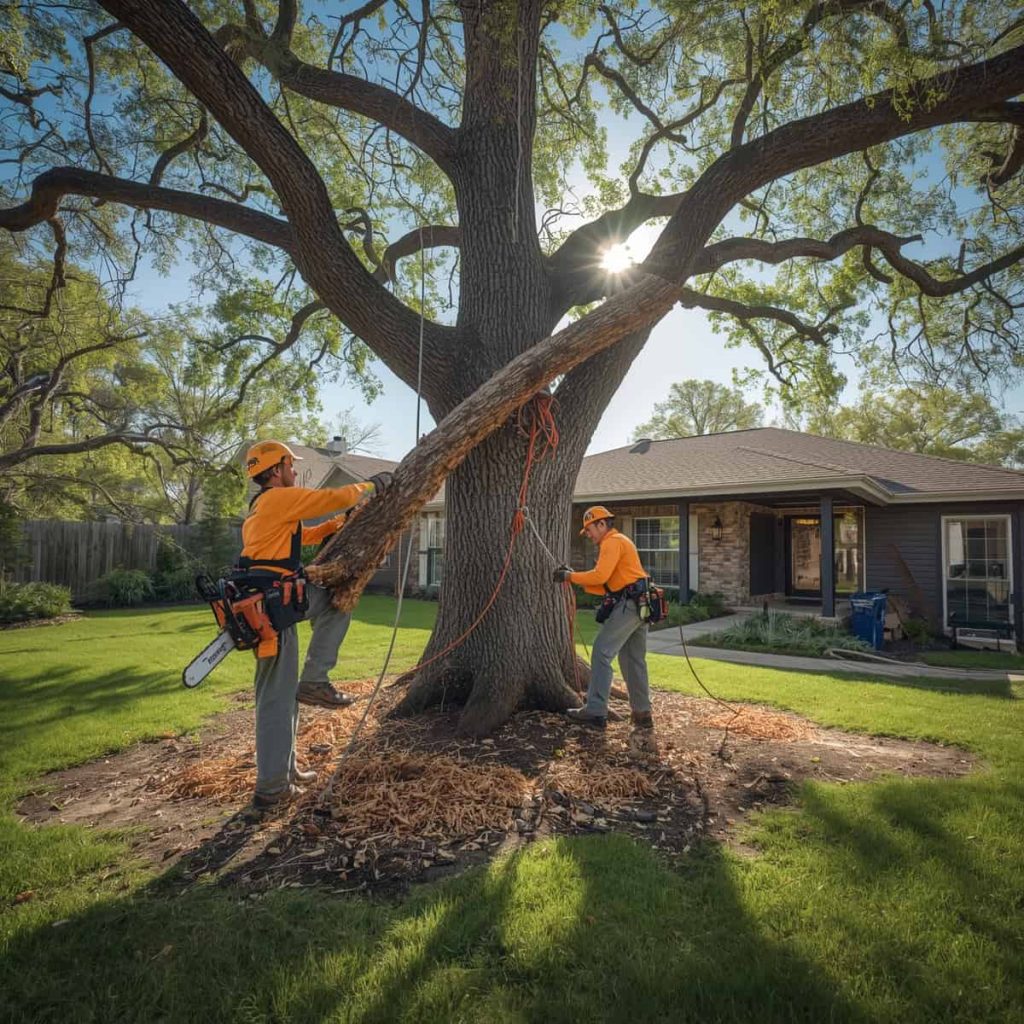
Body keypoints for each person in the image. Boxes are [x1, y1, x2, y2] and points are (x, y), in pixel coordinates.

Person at [240, 439, 393, 810]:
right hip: (274, 611)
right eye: (291, 466)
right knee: (277, 701)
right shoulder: (278, 498)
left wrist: (337, 525)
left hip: (276, 607)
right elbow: (329, 498)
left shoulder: (262, 507)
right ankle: (272, 788)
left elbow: (302, 535)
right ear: (275, 469)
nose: (294, 472)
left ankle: (285, 770)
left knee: (283, 697)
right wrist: (370, 486)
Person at [553, 505, 653, 731]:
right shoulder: (619, 542)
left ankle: (596, 710)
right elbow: (606, 584)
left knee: (601, 651)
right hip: (640, 604)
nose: (588, 535)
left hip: (629, 603)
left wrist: (569, 576)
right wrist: (573, 578)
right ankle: (642, 714)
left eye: (589, 529)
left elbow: (600, 575)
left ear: (601, 524)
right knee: (632, 661)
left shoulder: (612, 542)